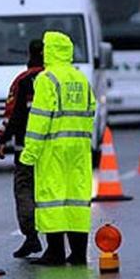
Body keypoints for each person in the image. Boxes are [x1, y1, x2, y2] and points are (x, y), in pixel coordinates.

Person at [20, 31, 95, 266]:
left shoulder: (47, 79)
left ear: (50, 51)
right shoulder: (80, 78)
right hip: (80, 149)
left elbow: (39, 120)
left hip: (53, 149)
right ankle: (79, 252)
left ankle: (55, 252)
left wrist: (29, 153)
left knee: (52, 198)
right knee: (76, 198)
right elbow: (91, 110)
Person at [0, 39, 45, 258]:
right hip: (53, 149)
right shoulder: (55, 79)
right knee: (51, 193)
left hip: (25, 148)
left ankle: (31, 237)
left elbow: (12, 114)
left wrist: (1, 139)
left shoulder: (22, 81)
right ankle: (58, 241)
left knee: (25, 190)